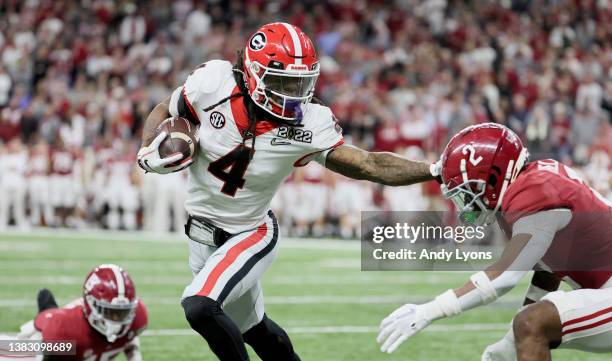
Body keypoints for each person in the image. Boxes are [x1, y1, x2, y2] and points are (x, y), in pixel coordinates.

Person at [137, 22, 440, 361]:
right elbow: (166, 107)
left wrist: (433, 171)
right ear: (252, 72)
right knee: (256, 331)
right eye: (283, 81)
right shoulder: (212, 83)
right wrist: (149, 146)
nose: (294, 92)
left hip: (250, 232)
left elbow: (369, 164)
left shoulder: (310, 122)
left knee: (200, 306)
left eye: (301, 81)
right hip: (201, 236)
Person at [377, 123, 612, 361]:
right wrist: (515, 337)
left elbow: (504, 277)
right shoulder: (533, 182)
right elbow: (551, 269)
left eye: (469, 190)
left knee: (531, 323)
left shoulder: (533, 192)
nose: (466, 202)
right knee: (523, 330)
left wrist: (427, 311)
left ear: (492, 177)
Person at [14, 264, 147, 361]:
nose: (117, 321)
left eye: (122, 313)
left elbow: (129, 336)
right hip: (43, 331)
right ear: (90, 305)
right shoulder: (66, 332)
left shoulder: (136, 318)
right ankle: (47, 306)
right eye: (109, 312)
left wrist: (134, 356)